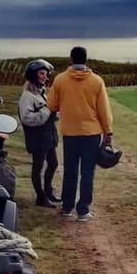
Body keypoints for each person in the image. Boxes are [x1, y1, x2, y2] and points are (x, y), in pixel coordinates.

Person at [47, 47, 113, 221]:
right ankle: (83, 210)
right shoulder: (97, 81)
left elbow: (52, 105)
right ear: (86, 59)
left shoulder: (60, 80)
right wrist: (108, 131)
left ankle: (67, 207)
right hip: (91, 133)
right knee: (87, 172)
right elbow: (103, 110)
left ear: (71, 59)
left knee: (70, 170)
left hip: (70, 132)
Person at [18, 59, 61, 208]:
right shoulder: (27, 96)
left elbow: (47, 113)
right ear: (33, 75)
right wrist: (47, 111)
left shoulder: (40, 93)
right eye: (42, 73)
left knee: (53, 163)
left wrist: (53, 113)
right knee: (38, 167)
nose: (45, 77)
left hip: (47, 136)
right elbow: (28, 118)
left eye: (46, 74)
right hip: (37, 138)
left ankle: (48, 192)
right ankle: (40, 197)